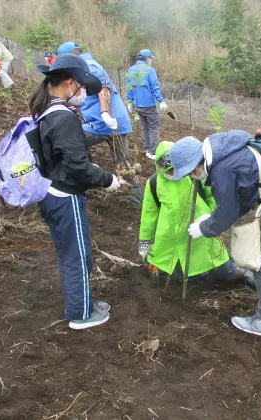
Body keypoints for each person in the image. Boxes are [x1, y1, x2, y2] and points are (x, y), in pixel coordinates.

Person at [168, 132, 261, 339]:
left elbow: (230, 211)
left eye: (189, 172)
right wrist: (211, 218)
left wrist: (204, 228)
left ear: (196, 163)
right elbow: (244, 199)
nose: (191, 176)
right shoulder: (226, 148)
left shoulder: (221, 168)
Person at [29, 53, 125, 330]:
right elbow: (79, 168)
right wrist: (108, 180)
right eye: (82, 88)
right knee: (76, 254)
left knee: (72, 252)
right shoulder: (64, 118)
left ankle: (84, 301)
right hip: (64, 197)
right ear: (70, 83)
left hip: (52, 191)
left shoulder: (48, 111)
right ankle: (81, 313)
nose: (83, 94)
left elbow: (64, 157)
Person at [139, 140, 255, 289]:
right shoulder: (154, 183)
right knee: (187, 276)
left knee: (224, 272)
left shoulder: (193, 174)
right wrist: (144, 241)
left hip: (200, 232)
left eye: (174, 169)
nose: (172, 174)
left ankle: (241, 274)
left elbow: (213, 196)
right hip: (173, 238)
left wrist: (212, 217)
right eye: (168, 171)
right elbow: (149, 213)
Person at [57, 42, 132, 165]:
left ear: (69, 57)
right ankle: (129, 180)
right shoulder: (83, 66)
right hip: (113, 120)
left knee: (71, 140)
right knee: (123, 163)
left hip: (102, 121)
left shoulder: (88, 66)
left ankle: (86, 170)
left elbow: (104, 88)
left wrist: (104, 113)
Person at [126, 49, 167, 160]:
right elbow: (155, 87)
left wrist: (129, 102)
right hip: (148, 104)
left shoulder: (131, 70)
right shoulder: (150, 70)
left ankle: (147, 149)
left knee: (144, 127)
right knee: (153, 127)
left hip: (137, 105)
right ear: (147, 58)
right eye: (151, 58)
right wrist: (161, 101)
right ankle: (153, 152)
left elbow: (129, 87)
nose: (151, 60)